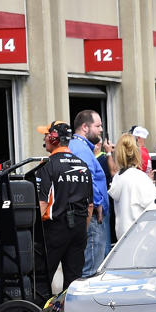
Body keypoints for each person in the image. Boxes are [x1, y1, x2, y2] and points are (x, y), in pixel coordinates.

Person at [35, 121, 93, 296]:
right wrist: (83, 229)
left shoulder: (47, 166)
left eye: (46, 134)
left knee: (41, 279)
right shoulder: (83, 165)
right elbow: (89, 205)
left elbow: (42, 204)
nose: (44, 138)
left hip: (55, 229)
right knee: (73, 282)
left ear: (54, 138)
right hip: (79, 228)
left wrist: (33, 231)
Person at [69, 110, 110, 277]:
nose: (101, 130)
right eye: (98, 126)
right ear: (85, 127)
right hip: (92, 215)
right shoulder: (81, 149)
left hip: (88, 213)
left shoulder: (79, 147)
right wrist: (98, 203)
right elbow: (88, 180)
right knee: (92, 272)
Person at [108, 132, 156, 237]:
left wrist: (146, 180)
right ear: (136, 152)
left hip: (123, 237)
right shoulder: (137, 177)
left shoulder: (118, 177)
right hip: (139, 236)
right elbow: (153, 203)